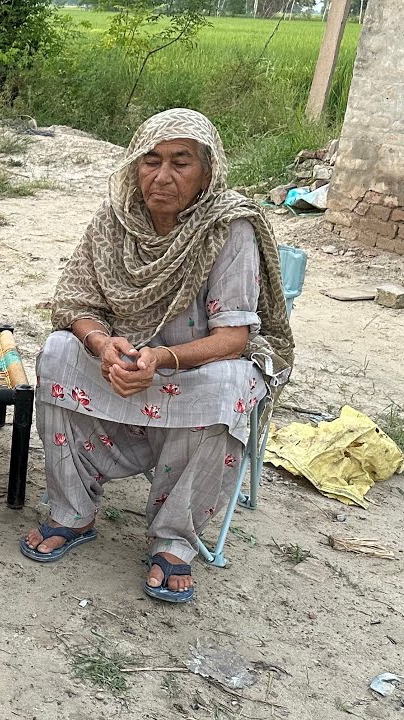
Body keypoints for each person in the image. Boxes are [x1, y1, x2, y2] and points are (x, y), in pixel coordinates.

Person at [19, 109, 295, 603]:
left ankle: (173, 537)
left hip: (189, 368)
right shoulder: (116, 219)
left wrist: (161, 358)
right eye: (150, 161)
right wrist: (103, 346)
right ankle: (74, 511)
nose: (161, 177)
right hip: (123, 367)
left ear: (208, 171)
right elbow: (77, 305)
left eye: (180, 163)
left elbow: (233, 337)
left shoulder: (228, 228)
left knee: (230, 386)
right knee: (60, 351)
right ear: (134, 167)